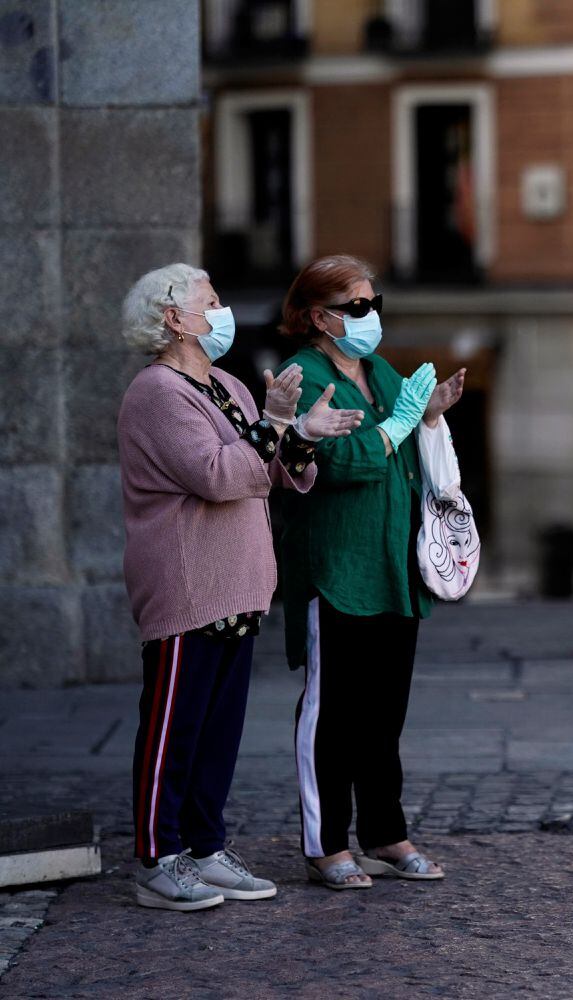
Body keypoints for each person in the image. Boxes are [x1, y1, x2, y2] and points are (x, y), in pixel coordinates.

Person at [117, 263, 363, 910]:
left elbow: (271, 471)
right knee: (173, 728)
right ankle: (155, 857)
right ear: (174, 318)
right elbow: (220, 475)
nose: (222, 312)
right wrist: (276, 421)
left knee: (217, 732)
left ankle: (204, 846)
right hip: (188, 584)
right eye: (212, 301)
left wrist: (301, 434)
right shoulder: (157, 394)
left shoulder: (225, 382)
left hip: (241, 583)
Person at [276, 255, 465, 890]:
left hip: (394, 567)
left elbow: (404, 443)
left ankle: (385, 832)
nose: (371, 315)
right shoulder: (302, 376)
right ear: (317, 316)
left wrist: (429, 413)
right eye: (357, 307)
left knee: (386, 712)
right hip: (336, 568)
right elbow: (338, 462)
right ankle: (326, 842)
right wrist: (402, 423)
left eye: (374, 303)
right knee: (333, 713)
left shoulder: (379, 369)